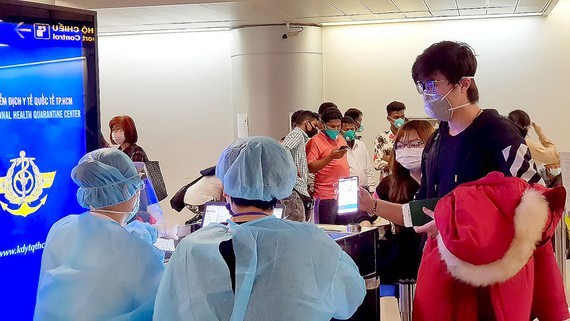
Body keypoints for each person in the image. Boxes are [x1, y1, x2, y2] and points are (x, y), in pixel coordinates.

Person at [358, 41, 565, 321]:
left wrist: (461, 221)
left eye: (433, 85)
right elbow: (425, 209)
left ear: (464, 83)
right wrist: (374, 206)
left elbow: (536, 204)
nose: (427, 94)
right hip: (443, 271)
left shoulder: (498, 133)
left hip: (493, 277)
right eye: (422, 86)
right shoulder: (437, 140)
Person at [153, 136, 366, 321]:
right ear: (281, 185)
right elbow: (349, 297)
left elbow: (167, 311)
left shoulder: (192, 247)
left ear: (226, 187)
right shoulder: (311, 241)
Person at [34, 148, 166, 321]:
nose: (138, 190)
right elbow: (166, 301)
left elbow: (105, 241)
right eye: (136, 184)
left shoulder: (62, 227)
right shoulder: (135, 251)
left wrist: (150, 231)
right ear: (126, 189)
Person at [374, 120, 434, 291]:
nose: (407, 150)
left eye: (415, 144)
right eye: (401, 145)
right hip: (395, 267)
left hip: (431, 263)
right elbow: (366, 211)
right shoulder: (389, 184)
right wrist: (365, 218)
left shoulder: (441, 183)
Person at [306, 107, 349, 224]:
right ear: (323, 124)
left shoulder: (341, 139)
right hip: (326, 196)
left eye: (338, 126)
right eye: (332, 126)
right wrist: (330, 157)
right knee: (328, 232)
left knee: (347, 233)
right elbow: (311, 167)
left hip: (345, 193)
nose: (336, 129)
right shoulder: (315, 141)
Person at [280, 110, 318, 222]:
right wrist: (292, 167)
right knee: (297, 225)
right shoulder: (297, 134)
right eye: (314, 125)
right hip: (294, 188)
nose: (316, 129)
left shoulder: (302, 138)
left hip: (299, 188)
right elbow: (283, 149)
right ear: (307, 123)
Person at [508, 109, 562, 187]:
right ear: (526, 127)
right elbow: (554, 156)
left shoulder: (501, 139)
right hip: (522, 188)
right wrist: (541, 133)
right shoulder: (524, 143)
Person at [341, 116, 375, 193]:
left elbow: (368, 168)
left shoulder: (361, 145)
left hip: (364, 188)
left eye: (352, 129)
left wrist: (372, 189)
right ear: (340, 130)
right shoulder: (339, 148)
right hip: (348, 189)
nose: (350, 131)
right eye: (346, 130)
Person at [373, 101, 407, 178]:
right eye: (396, 117)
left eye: (402, 117)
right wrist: (399, 163)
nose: (400, 120)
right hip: (388, 181)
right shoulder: (381, 138)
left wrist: (388, 158)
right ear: (389, 119)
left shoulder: (409, 136)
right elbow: (377, 162)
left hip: (406, 181)